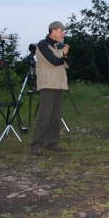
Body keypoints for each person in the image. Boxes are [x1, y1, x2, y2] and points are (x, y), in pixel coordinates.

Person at [30, 21, 71, 157]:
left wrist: (66, 55)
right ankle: (36, 144)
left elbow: (69, 64)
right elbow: (53, 61)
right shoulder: (42, 45)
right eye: (62, 30)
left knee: (56, 117)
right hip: (47, 85)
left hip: (59, 85)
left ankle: (52, 144)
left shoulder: (60, 46)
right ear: (53, 31)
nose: (64, 33)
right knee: (45, 116)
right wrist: (63, 56)